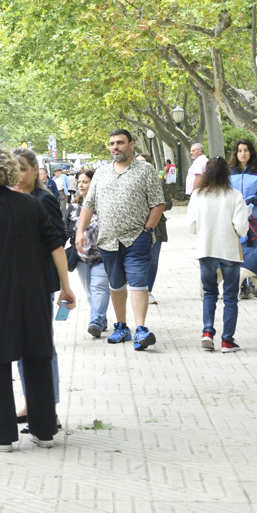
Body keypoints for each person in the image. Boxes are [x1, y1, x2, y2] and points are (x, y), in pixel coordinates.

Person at [0, 145, 75, 451]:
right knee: (36, 356)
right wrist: (66, 286)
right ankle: (44, 429)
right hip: (33, 292)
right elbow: (55, 244)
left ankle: (1, 432)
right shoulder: (31, 205)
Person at [78, 129, 167, 350]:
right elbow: (89, 205)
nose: (115, 147)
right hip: (108, 240)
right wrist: (80, 231)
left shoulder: (146, 170)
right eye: (111, 143)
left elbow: (158, 203)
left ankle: (141, 329)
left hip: (137, 237)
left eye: (120, 142)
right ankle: (121, 326)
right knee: (116, 285)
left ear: (131, 144)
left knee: (138, 282)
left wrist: (148, 231)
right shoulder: (101, 173)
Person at [13, 147, 63, 419]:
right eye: (14, 169)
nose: (18, 176)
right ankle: (31, 401)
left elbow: (57, 238)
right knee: (21, 344)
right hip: (15, 282)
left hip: (39, 281)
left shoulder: (43, 199)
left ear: (34, 170)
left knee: (43, 345)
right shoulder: (10, 199)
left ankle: (48, 405)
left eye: (23, 169)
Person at [187, 157, 252, 353]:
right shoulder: (234, 195)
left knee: (209, 293)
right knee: (231, 296)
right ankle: (227, 340)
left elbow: (190, 226)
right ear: (227, 173)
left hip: (206, 250)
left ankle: (207, 332)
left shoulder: (198, 195)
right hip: (229, 251)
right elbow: (241, 228)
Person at [68, 168, 110, 338]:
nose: (81, 185)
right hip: (81, 257)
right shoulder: (73, 207)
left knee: (99, 288)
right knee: (90, 292)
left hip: (103, 256)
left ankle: (95, 322)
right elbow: (64, 231)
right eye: (79, 182)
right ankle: (101, 319)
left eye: (85, 181)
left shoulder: (105, 205)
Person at [229, 138, 257, 300]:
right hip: (236, 217)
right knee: (239, 251)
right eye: (240, 150)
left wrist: (254, 201)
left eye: (246, 150)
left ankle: (254, 284)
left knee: (254, 251)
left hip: (256, 217)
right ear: (236, 153)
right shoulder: (230, 170)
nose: (243, 153)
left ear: (251, 152)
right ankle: (242, 285)